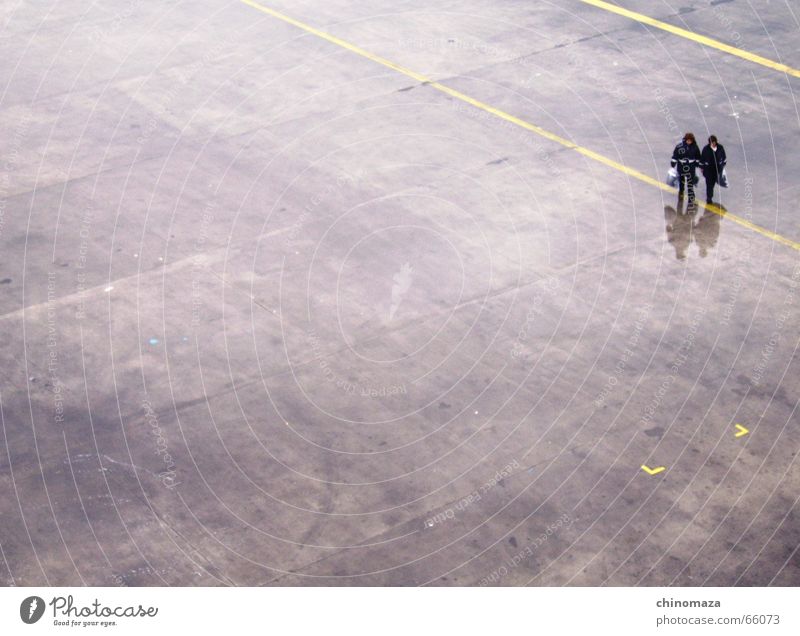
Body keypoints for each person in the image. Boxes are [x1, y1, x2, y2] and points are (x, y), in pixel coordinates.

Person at [671, 132, 701, 205]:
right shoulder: (679, 146)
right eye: (688, 140)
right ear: (685, 140)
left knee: (690, 182)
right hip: (681, 166)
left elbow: (698, 156)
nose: (689, 142)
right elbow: (675, 155)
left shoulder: (695, 147)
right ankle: (681, 191)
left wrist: (697, 163)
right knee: (681, 180)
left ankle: (691, 195)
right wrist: (673, 162)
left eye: (690, 140)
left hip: (691, 167)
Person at [700, 135, 727, 204]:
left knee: (712, 183)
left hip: (717, 169)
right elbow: (702, 159)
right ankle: (709, 198)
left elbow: (724, 158)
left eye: (714, 142)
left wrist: (723, 165)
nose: (713, 144)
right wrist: (702, 167)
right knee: (709, 183)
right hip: (708, 169)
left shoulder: (720, 148)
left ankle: (710, 193)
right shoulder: (706, 149)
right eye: (712, 143)